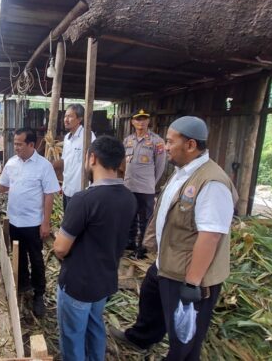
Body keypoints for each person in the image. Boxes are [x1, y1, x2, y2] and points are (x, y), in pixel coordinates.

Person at [109, 116, 238, 361]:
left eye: (170, 142)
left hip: (188, 274)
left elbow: (210, 237)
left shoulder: (211, 183)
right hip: (168, 263)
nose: (165, 146)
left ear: (190, 145)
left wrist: (192, 284)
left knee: (185, 334)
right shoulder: (183, 172)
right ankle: (142, 336)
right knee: (150, 296)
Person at [53, 136, 136, 361]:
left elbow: (60, 248)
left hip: (78, 284)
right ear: (120, 162)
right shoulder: (129, 198)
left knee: (72, 337)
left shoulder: (84, 200)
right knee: (95, 325)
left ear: (92, 158)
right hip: (105, 280)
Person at [0, 127, 60, 317]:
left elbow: (49, 195)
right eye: (15, 143)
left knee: (36, 259)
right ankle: (23, 285)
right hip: (14, 221)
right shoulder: (11, 163)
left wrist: (46, 223)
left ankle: (39, 295)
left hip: (33, 223)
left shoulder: (44, 166)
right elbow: (3, 186)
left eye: (20, 144)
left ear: (31, 144)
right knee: (19, 256)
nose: (16, 147)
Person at [123, 109, 167, 258]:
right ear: (133, 122)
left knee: (145, 220)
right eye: (138, 119)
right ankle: (129, 242)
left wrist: (151, 183)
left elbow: (160, 165)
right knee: (129, 216)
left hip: (145, 188)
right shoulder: (128, 140)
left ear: (148, 121)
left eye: (144, 119)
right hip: (129, 186)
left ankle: (142, 248)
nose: (141, 122)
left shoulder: (157, 141)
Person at [61, 104, 96, 210]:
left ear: (79, 119)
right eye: (65, 116)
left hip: (81, 191)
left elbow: (94, 163)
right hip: (67, 188)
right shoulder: (67, 138)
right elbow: (65, 162)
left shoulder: (88, 136)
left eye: (70, 116)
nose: (66, 119)